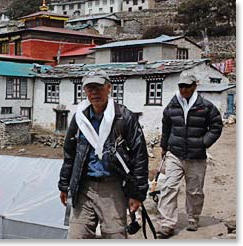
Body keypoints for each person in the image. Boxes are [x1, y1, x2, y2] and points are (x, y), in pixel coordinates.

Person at [58, 70, 149, 239]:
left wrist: (137, 193)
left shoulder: (124, 117)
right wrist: (64, 185)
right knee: (76, 236)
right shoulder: (79, 118)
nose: (94, 92)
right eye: (90, 88)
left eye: (98, 87)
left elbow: (139, 156)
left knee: (115, 236)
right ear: (84, 91)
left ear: (109, 88)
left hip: (112, 187)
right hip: (84, 186)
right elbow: (70, 153)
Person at [156, 73, 223, 239]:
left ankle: (193, 218)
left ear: (195, 86)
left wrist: (203, 143)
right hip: (175, 154)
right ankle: (167, 223)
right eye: (181, 86)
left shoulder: (205, 106)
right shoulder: (172, 106)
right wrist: (164, 146)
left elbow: (216, 126)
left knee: (195, 191)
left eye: (187, 86)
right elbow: (166, 127)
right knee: (169, 187)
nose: (183, 89)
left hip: (196, 156)